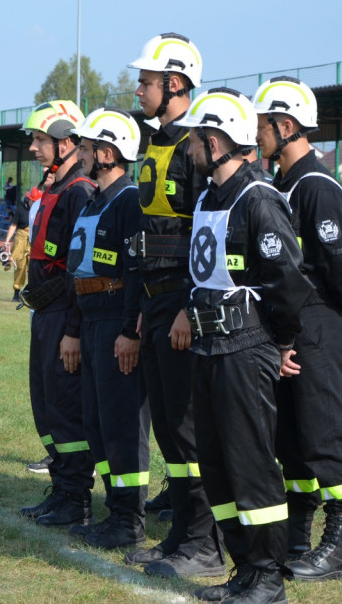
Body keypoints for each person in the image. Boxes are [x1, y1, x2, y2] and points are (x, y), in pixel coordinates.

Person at [178, 88, 315, 603]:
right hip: (209, 350)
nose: (189, 147)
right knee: (214, 463)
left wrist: (279, 343)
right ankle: (244, 569)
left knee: (251, 464)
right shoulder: (208, 197)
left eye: (195, 138)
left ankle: (267, 577)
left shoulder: (258, 199)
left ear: (214, 141)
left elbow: (288, 282)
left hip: (245, 347)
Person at [254, 77, 342, 587]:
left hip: (316, 323)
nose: (256, 135)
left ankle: (338, 547)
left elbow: (341, 269)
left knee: (324, 432)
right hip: (292, 323)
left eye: (262, 126)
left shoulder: (316, 186)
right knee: (293, 437)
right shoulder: (282, 184)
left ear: (287, 125)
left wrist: (331, 307)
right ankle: (297, 533)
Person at [123, 33, 225, 578]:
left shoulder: (197, 148)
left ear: (176, 84)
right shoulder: (156, 143)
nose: (137, 89)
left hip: (184, 304)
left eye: (146, 81)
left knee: (187, 425)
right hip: (155, 299)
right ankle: (182, 533)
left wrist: (189, 305)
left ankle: (205, 544)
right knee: (166, 424)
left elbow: (204, 239)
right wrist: (143, 305)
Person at [65, 108, 150, 549]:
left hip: (116, 321)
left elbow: (137, 271)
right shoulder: (95, 200)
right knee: (97, 423)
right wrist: (76, 328)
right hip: (93, 320)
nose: (78, 153)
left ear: (108, 151)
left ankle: (128, 518)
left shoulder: (129, 200)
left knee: (122, 425)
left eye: (85, 146)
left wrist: (130, 332)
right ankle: (115, 510)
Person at [17, 99, 97, 527]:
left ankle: (75, 499)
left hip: (64, 316)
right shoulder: (53, 188)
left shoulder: (79, 192)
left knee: (66, 408)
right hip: (44, 313)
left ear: (67, 143)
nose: (34, 147)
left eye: (41, 139)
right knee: (46, 406)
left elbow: (78, 271)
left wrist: (72, 330)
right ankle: (61, 488)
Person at [3, 186, 41, 303]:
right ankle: (17, 291)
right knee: (19, 265)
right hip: (22, 235)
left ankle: (33, 290)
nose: (35, 204)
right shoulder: (21, 210)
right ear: (28, 200)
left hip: (34, 236)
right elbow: (14, 225)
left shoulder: (41, 209)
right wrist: (7, 240)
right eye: (33, 202)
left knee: (34, 265)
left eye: (36, 202)